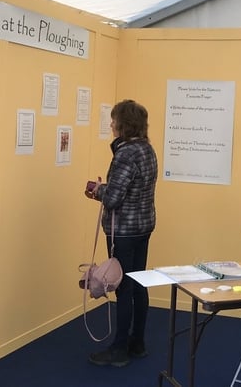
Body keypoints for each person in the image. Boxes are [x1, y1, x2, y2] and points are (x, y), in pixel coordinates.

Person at [85, 99, 158, 368]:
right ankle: (137, 343)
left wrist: (97, 190)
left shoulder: (125, 154)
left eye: (114, 120)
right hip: (143, 226)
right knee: (138, 284)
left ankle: (119, 350)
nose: (111, 124)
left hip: (124, 231)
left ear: (123, 124)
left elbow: (114, 198)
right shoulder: (147, 149)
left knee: (123, 287)